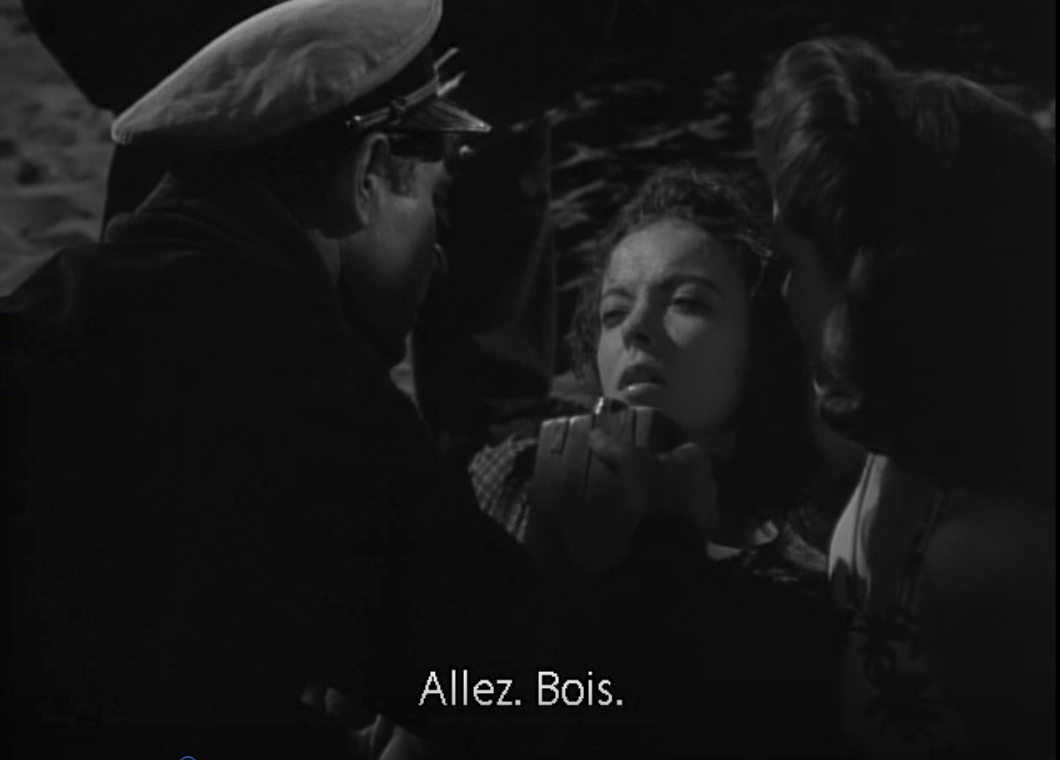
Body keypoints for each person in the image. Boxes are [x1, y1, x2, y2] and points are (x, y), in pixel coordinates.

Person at [0, 0, 551, 756]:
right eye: (436, 201)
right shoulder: (310, 394)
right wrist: (642, 554)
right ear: (366, 176)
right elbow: (530, 687)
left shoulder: (59, 298)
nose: (440, 257)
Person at [459, 167, 851, 757]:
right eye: (613, 313)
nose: (636, 330)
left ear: (761, 342)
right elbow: (442, 692)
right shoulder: (510, 482)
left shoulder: (800, 592)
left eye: (687, 302)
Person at [753, 36, 1056, 759]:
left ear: (875, 302)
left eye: (793, 262)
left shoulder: (982, 563)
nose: (779, 291)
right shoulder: (908, 433)